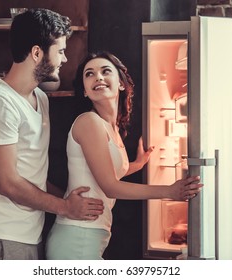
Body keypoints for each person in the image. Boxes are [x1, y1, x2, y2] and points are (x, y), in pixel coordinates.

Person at [0, 9, 104, 260]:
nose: (64, 59)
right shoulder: (0, 103)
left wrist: (66, 198)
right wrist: (65, 207)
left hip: (29, 233)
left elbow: (32, 173)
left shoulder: (40, 98)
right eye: (60, 51)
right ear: (37, 53)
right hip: (0, 235)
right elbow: (7, 183)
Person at [45, 51, 203, 260]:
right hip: (77, 236)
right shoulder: (88, 123)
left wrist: (136, 164)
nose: (98, 77)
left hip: (91, 233)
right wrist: (170, 191)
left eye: (105, 71)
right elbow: (110, 186)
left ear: (121, 83)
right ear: (84, 90)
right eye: (89, 74)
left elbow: (104, 170)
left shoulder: (112, 128)